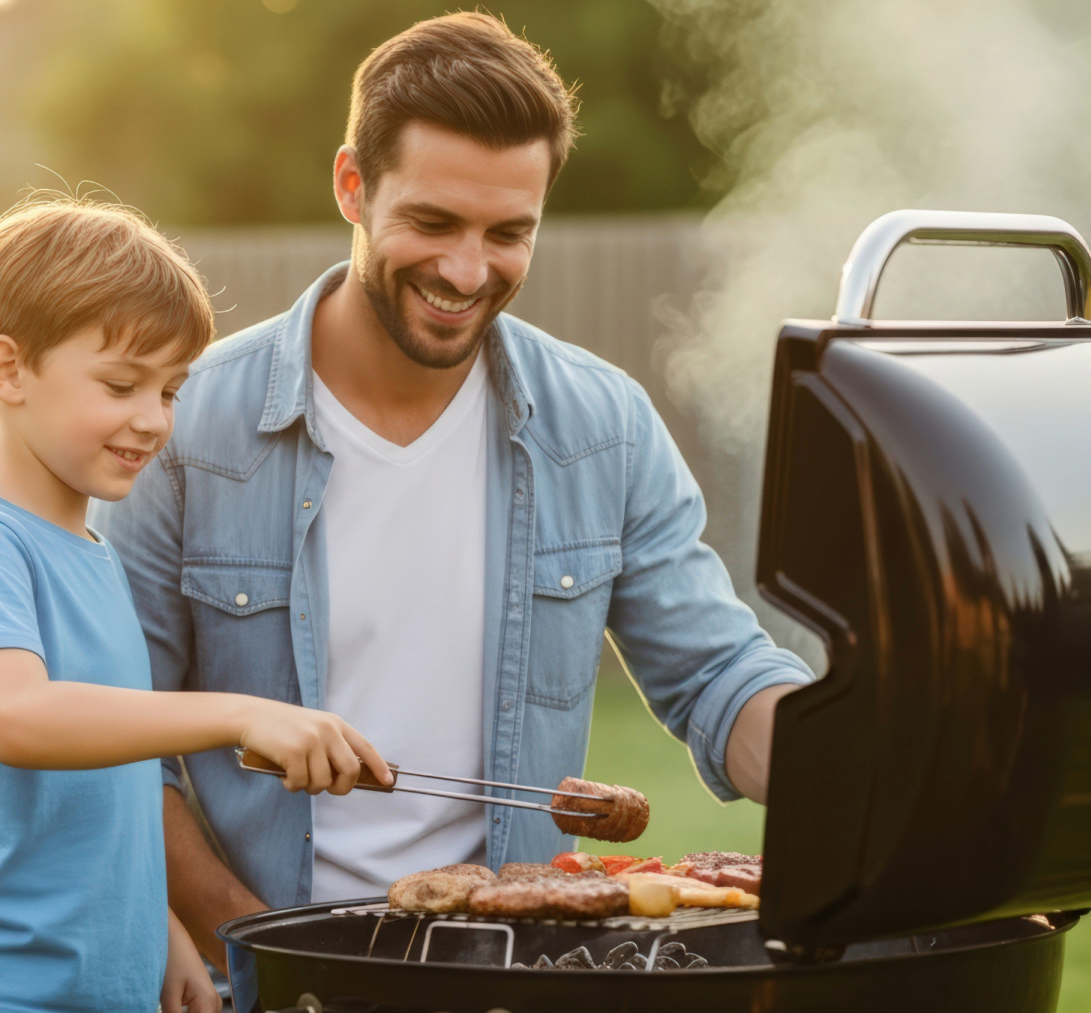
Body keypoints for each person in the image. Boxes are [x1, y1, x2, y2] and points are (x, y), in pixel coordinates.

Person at [95, 11, 816, 974]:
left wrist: (861, 765)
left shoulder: (602, 426)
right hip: (270, 962)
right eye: (432, 223)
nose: (467, 270)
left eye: (508, 232)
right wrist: (264, 953)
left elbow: (719, 678)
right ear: (352, 185)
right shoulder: (185, 425)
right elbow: (116, 740)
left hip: (516, 972)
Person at [0, 196, 390, 1013]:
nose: (153, 421)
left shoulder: (97, 556)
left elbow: (115, 781)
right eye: (121, 385)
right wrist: (238, 714)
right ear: (8, 371)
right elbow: (21, 719)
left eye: (170, 390)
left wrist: (167, 931)